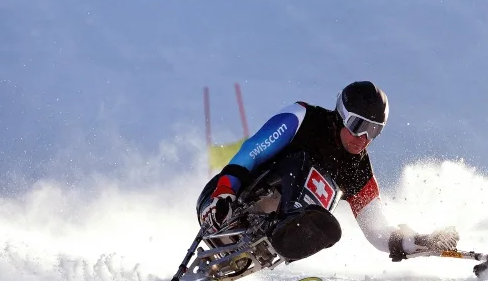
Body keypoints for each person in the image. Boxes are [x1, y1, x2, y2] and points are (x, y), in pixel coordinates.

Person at [196, 81, 457, 263]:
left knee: (330, 200)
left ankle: (292, 232)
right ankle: (290, 224)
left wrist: (416, 242)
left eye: (374, 131)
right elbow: (251, 152)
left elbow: (377, 230)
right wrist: (224, 193)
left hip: (271, 236)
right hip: (224, 207)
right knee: (304, 161)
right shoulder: (303, 118)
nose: (363, 138)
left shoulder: (359, 172)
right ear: (342, 115)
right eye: (358, 125)